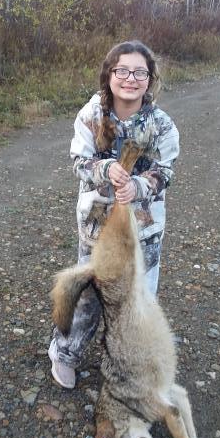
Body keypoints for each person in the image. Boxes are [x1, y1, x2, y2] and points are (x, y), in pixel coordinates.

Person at [48, 40, 180, 388]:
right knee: (88, 295)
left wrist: (139, 186)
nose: (130, 79)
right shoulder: (90, 115)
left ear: (150, 79)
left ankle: (129, 370)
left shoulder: (162, 125)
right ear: (109, 74)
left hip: (143, 232)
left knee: (138, 301)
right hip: (98, 229)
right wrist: (104, 169)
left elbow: (165, 171)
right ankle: (65, 353)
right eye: (122, 70)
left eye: (140, 72)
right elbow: (79, 161)